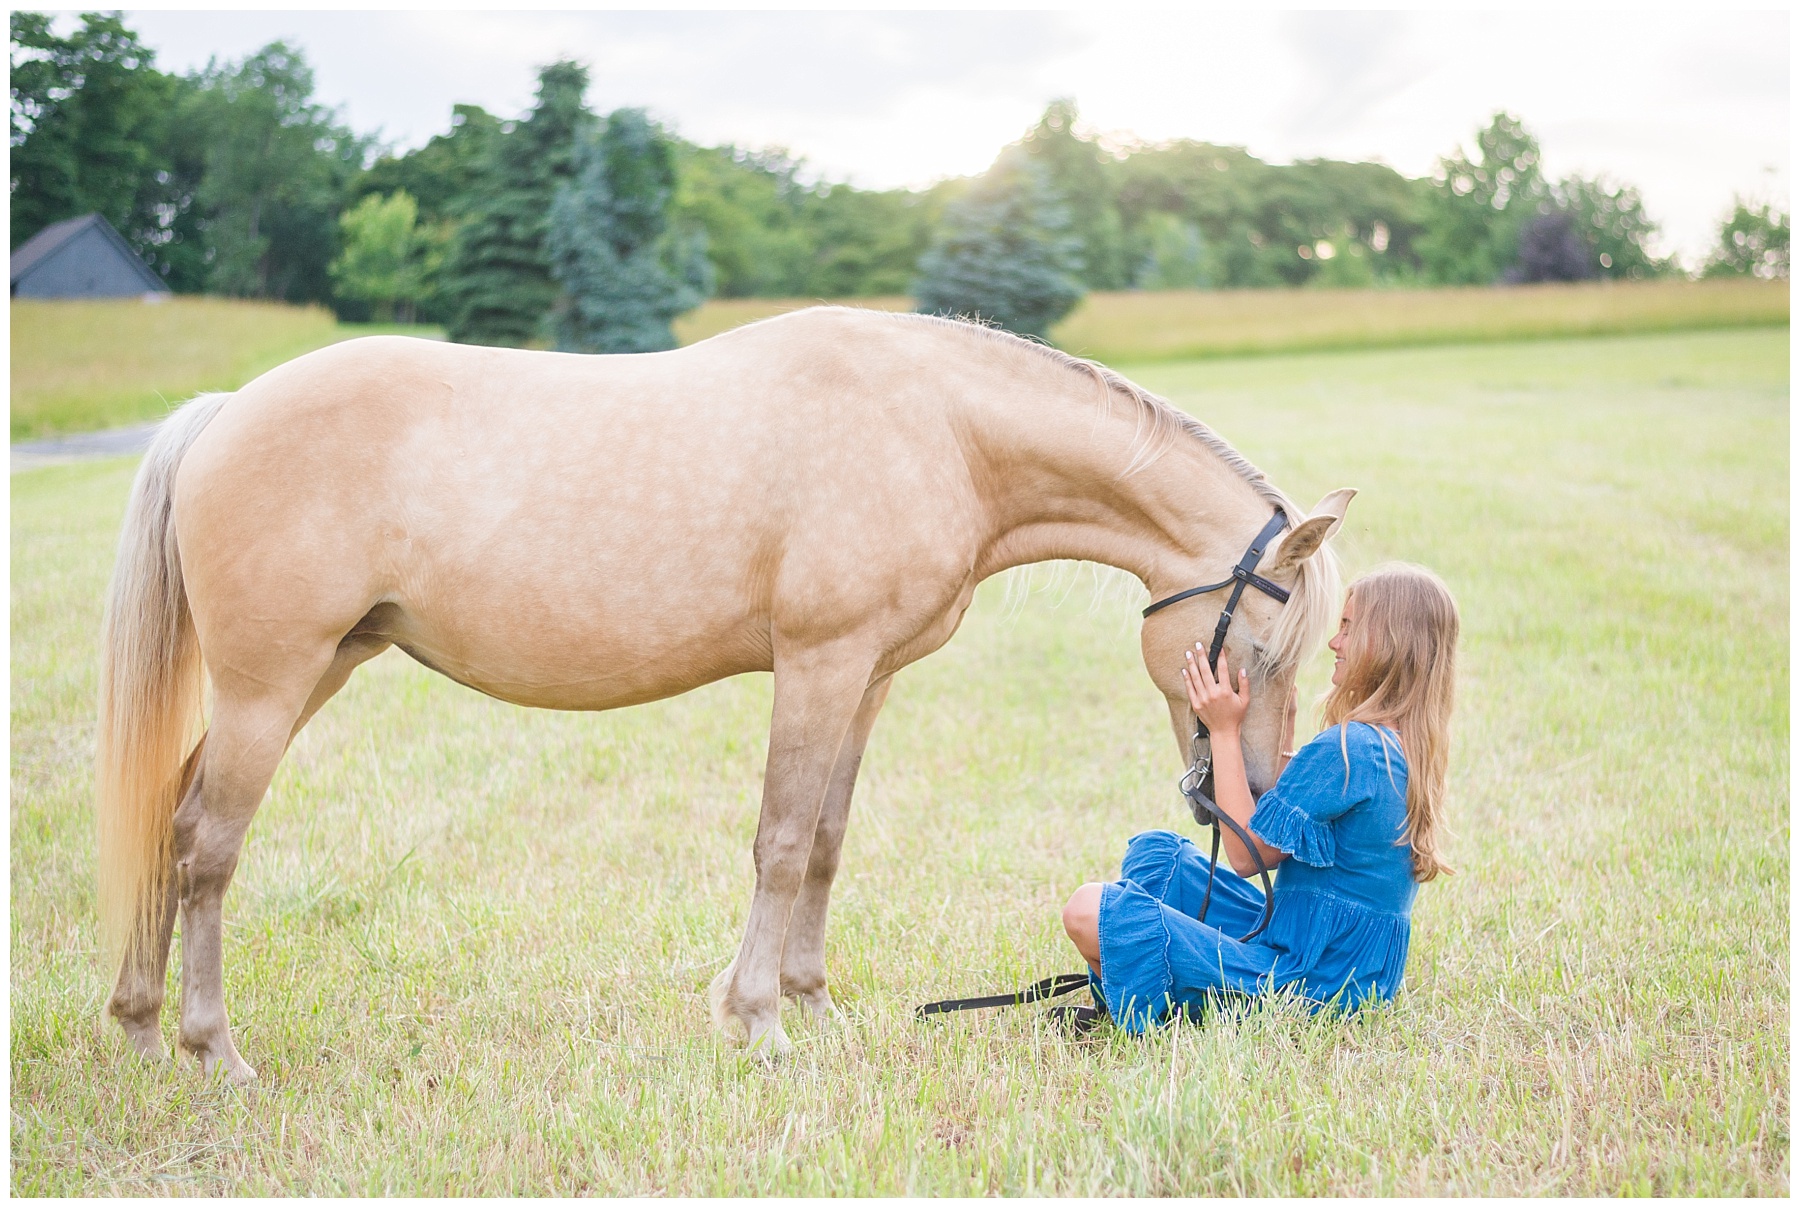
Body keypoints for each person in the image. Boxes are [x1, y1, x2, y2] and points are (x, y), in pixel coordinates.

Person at [1060, 562, 1460, 1032]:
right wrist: (1285, 736)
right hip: (1345, 968)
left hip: (1304, 983)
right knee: (1158, 856)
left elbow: (1249, 856)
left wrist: (1224, 731)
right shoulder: (1400, 745)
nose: (1335, 643)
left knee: (1089, 909)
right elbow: (1277, 838)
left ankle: (1161, 992)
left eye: (1348, 629)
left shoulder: (1349, 748)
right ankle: (1155, 974)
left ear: (1389, 643)